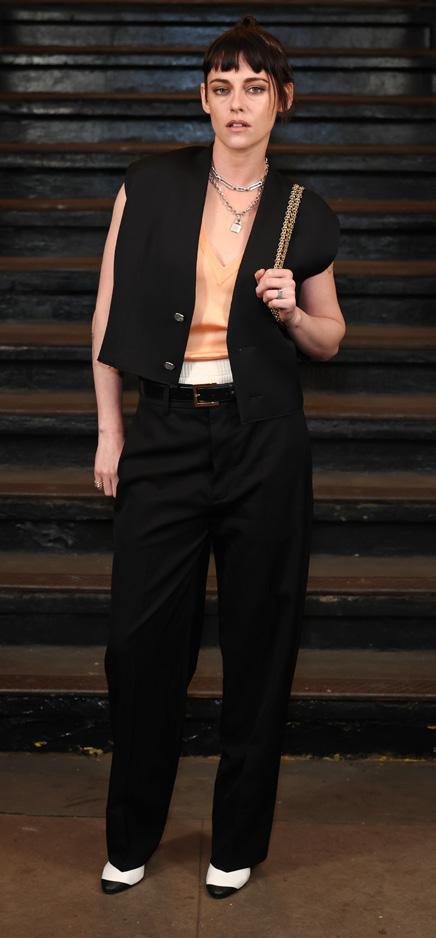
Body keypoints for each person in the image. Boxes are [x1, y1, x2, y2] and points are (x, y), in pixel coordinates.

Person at [91, 14, 345, 899]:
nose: (239, 103)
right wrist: (111, 430)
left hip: (264, 439)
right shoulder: (149, 185)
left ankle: (235, 840)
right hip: (164, 433)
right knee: (139, 646)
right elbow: (107, 314)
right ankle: (131, 833)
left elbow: (331, 336)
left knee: (260, 642)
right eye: (223, 87)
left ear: (282, 101)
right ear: (203, 99)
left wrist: (293, 312)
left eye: (255, 88)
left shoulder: (304, 210)